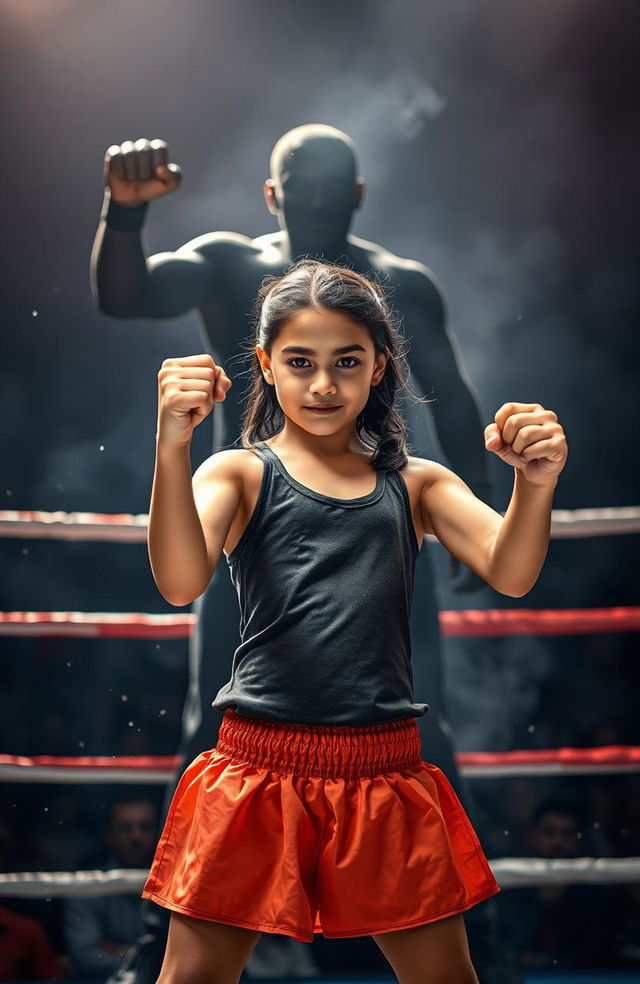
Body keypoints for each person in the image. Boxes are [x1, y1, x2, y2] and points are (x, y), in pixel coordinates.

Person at [91, 125, 504, 981]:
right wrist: (122, 216)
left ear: (356, 196)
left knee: (419, 732)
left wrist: (483, 510)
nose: (314, 202)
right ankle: (156, 947)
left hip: (377, 517)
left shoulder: (401, 285)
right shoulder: (230, 263)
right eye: (299, 188)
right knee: (219, 730)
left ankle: (477, 950)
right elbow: (126, 297)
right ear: (272, 195)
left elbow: (454, 403)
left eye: (331, 189)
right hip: (251, 522)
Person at [141, 258, 568, 984]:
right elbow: (181, 582)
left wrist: (535, 483)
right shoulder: (237, 473)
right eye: (301, 362)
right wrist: (172, 445)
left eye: (347, 361)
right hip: (258, 766)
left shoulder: (417, 482)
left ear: (379, 368)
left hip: (384, 768)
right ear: (266, 366)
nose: (324, 384)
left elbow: (511, 569)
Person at [496, 796, 620, 970]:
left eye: (567, 834)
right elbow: (501, 944)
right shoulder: (510, 891)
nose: (558, 842)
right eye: (549, 832)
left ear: (578, 840)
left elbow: (597, 953)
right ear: (533, 836)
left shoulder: (594, 897)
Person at [62, 795, 158, 980]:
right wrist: (153, 960)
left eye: (145, 827)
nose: (136, 837)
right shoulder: (86, 885)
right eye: (125, 828)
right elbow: (86, 957)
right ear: (109, 835)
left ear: (159, 832)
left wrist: (119, 950)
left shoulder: (176, 885)